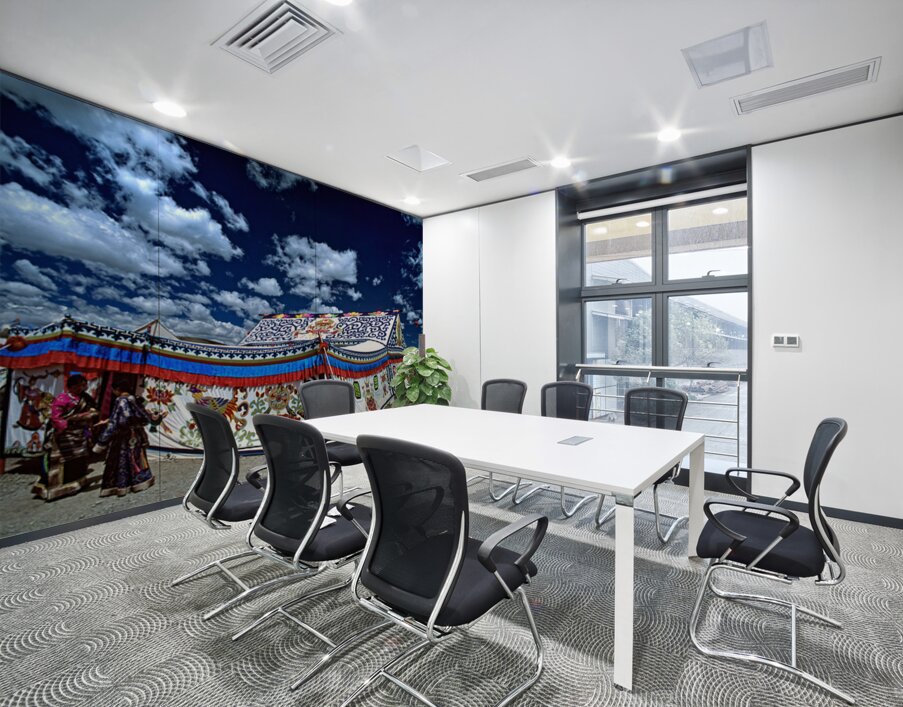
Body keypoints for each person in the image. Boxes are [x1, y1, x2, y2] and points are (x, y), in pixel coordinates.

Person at [94, 378, 156, 497]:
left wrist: (101, 442)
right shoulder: (134, 399)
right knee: (136, 458)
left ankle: (122, 486)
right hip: (136, 435)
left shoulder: (121, 401)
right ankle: (141, 482)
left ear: (117, 389)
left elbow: (116, 422)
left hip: (123, 437)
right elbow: (146, 418)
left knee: (122, 460)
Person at [47, 373, 100, 485]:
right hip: (66, 434)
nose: (80, 388)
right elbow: (56, 418)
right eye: (77, 386)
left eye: (82, 386)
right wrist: (75, 419)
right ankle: (63, 484)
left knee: (80, 458)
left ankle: (78, 482)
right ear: (70, 387)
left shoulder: (85, 398)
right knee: (67, 458)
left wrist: (92, 416)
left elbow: (94, 410)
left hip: (81, 433)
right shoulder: (62, 399)